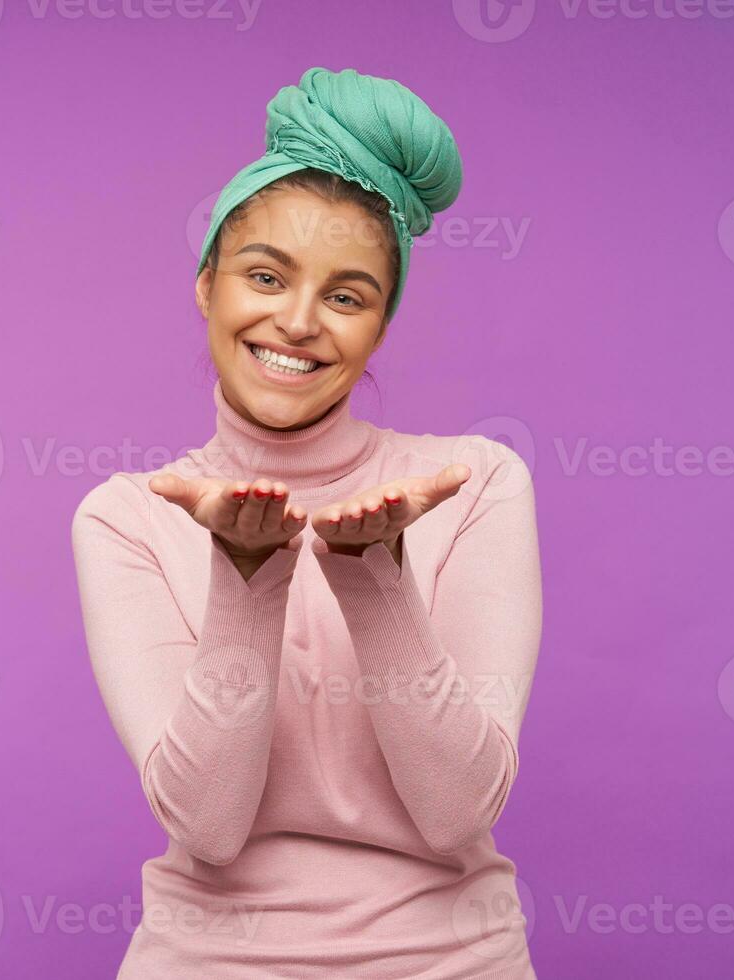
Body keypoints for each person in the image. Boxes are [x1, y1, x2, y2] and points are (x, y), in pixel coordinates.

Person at [71, 66, 542, 979]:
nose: (295, 322)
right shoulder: (129, 517)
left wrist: (374, 574)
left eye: (346, 295)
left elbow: (458, 811)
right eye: (263, 275)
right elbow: (207, 826)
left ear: (379, 326)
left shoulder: (473, 483)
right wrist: (248, 576)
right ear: (206, 285)